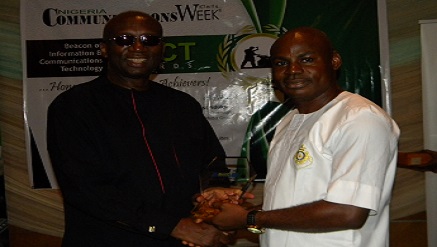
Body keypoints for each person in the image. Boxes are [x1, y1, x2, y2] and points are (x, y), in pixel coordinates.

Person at [46, 11, 237, 247]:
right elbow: (85, 189)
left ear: (161, 49)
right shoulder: (74, 106)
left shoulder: (182, 105)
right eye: (124, 40)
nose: (138, 47)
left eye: (149, 40)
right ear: (104, 49)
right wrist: (173, 226)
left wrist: (216, 192)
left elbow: (213, 163)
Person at [206, 27, 400, 246]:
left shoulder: (359, 118)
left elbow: (348, 212)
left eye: (306, 59)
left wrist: (248, 218)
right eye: (281, 63)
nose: (293, 70)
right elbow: (294, 204)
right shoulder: (289, 121)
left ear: (334, 61)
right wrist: (239, 217)